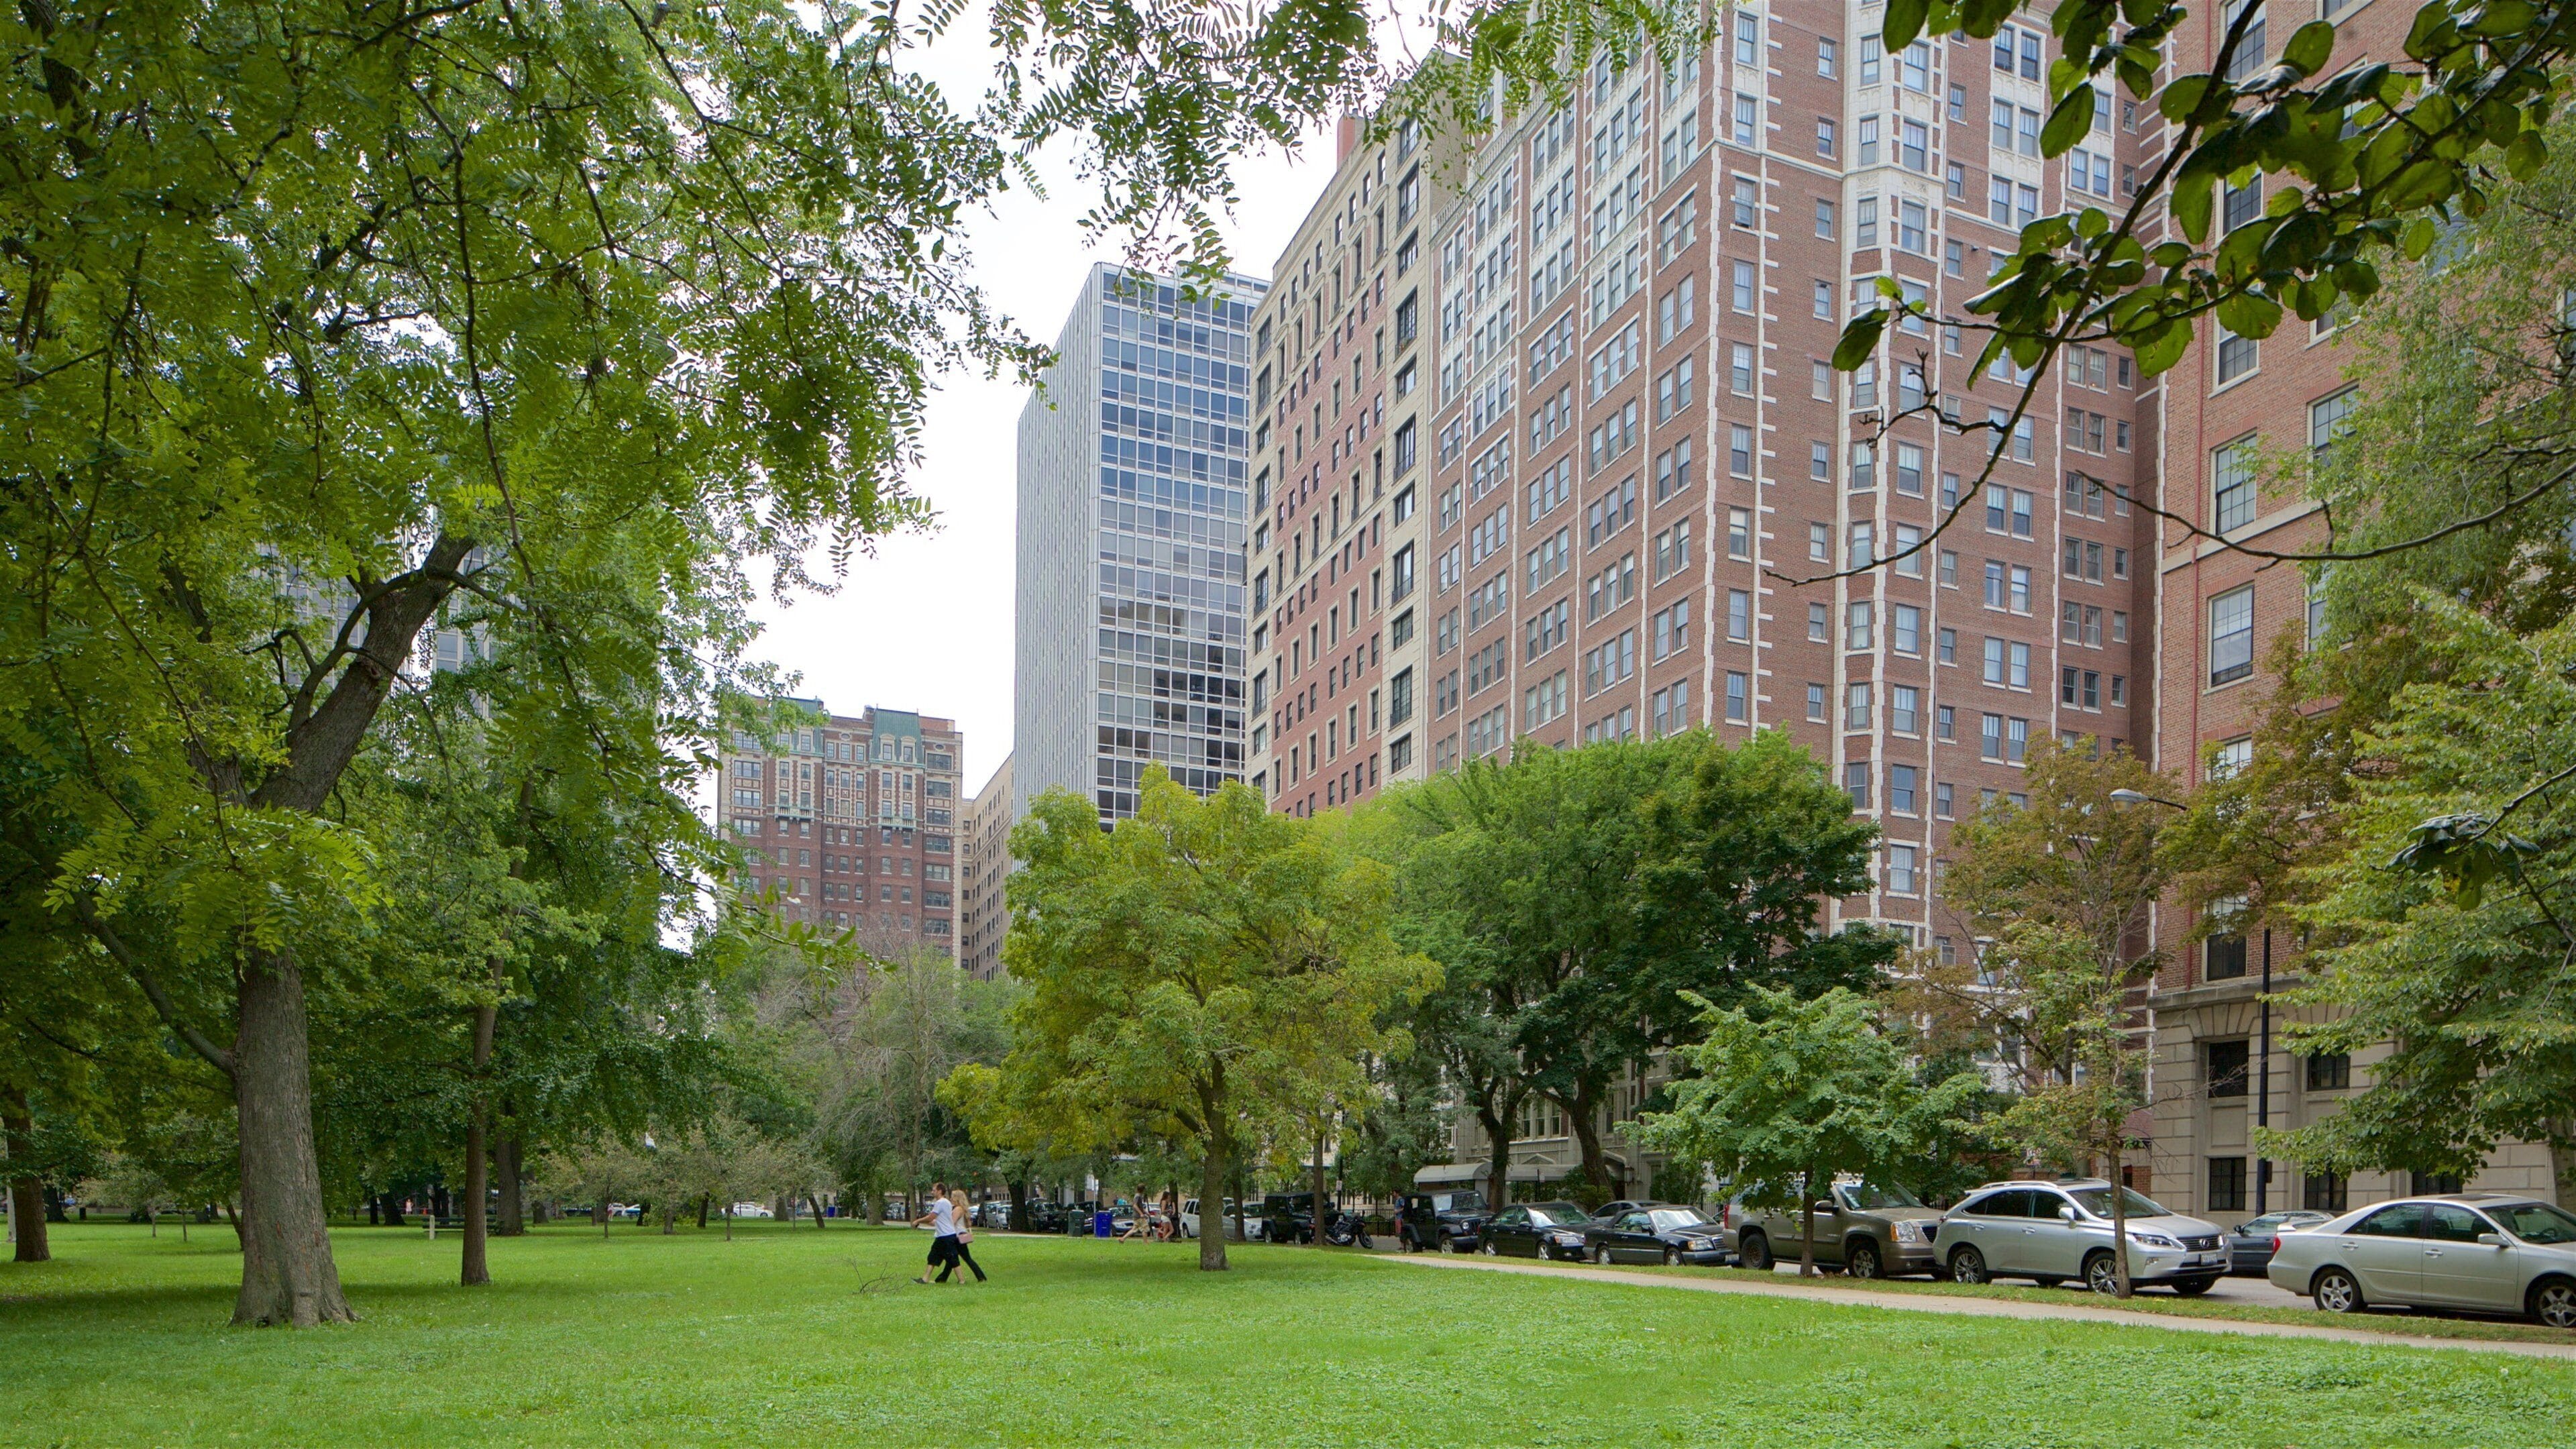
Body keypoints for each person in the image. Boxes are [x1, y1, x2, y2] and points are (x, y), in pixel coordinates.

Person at [911, 1180, 957, 1285]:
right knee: (937, 1257)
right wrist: (926, 1223)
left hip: (945, 1236)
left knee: (952, 1260)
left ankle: (962, 1280)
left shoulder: (940, 1203)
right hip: (945, 1235)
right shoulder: (946, 1202)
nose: (932, 1192)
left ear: (939, 1191)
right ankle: (925, 1279)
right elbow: (937, 1221)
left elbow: (932, 1217)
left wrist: (918, 1221)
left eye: (934, 1190)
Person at [941, 1188, 986, 1283]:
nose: (951, 1199)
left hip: (958, 1236)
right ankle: (942, 1278)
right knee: (952, 1258)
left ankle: (981, 1277)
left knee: (962, 1258)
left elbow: (952, 1222)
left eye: (953, 1197)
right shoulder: (962, 1209)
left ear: (957, 1198)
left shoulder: (958, 1209)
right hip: (960, 1235)